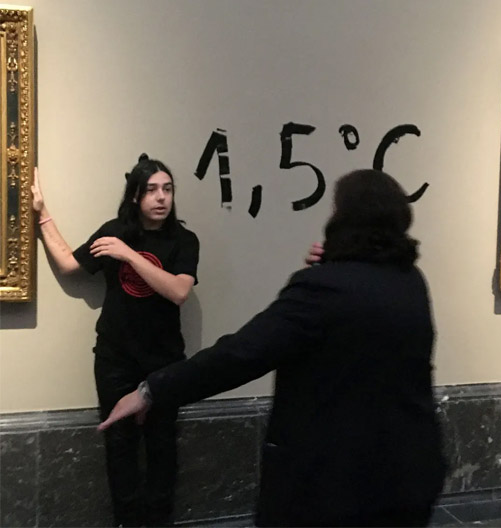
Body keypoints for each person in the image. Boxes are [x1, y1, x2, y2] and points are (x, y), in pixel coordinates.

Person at [99, 168, 446, 527]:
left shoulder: (323, 288)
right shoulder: (410, 281)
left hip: (336, 487)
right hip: (409, 474)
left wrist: (151, 390)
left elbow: (241, 354)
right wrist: (336, 267)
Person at [32, 154, 200, 527]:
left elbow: (178, 291)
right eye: (151, 190)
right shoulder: (114, 231)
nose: (162, 197)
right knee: (119, 447)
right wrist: (42, 213)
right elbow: (69, 264)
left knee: (162, 447)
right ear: (135, 196)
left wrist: (129, 256)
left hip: (164, 361)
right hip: (115, 359)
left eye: (167, 189)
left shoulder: (183, 240)